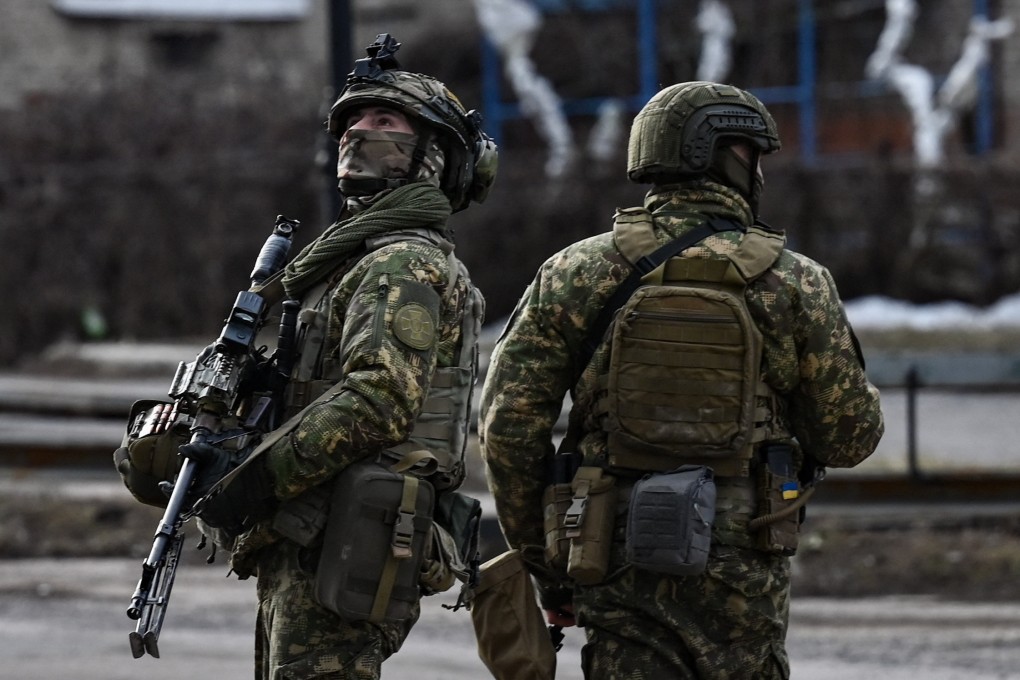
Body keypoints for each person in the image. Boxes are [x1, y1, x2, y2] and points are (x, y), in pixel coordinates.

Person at [478, 81, 884, 678]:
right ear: (725, 155)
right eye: (753, 155)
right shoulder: (797, 282)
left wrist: (546, 563)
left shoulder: (574, 271)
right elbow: (849, 438)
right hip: (745, 558)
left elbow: (506, 429)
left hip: (609, 551)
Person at [172, 35, 495, 678]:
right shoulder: (348, 258)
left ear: (432, 154)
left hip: (348, 529)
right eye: (351, 120)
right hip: (312, 526)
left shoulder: (401, 261)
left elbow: (378, 399)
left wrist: (253, 482)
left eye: (384, 121)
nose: (357, 132)